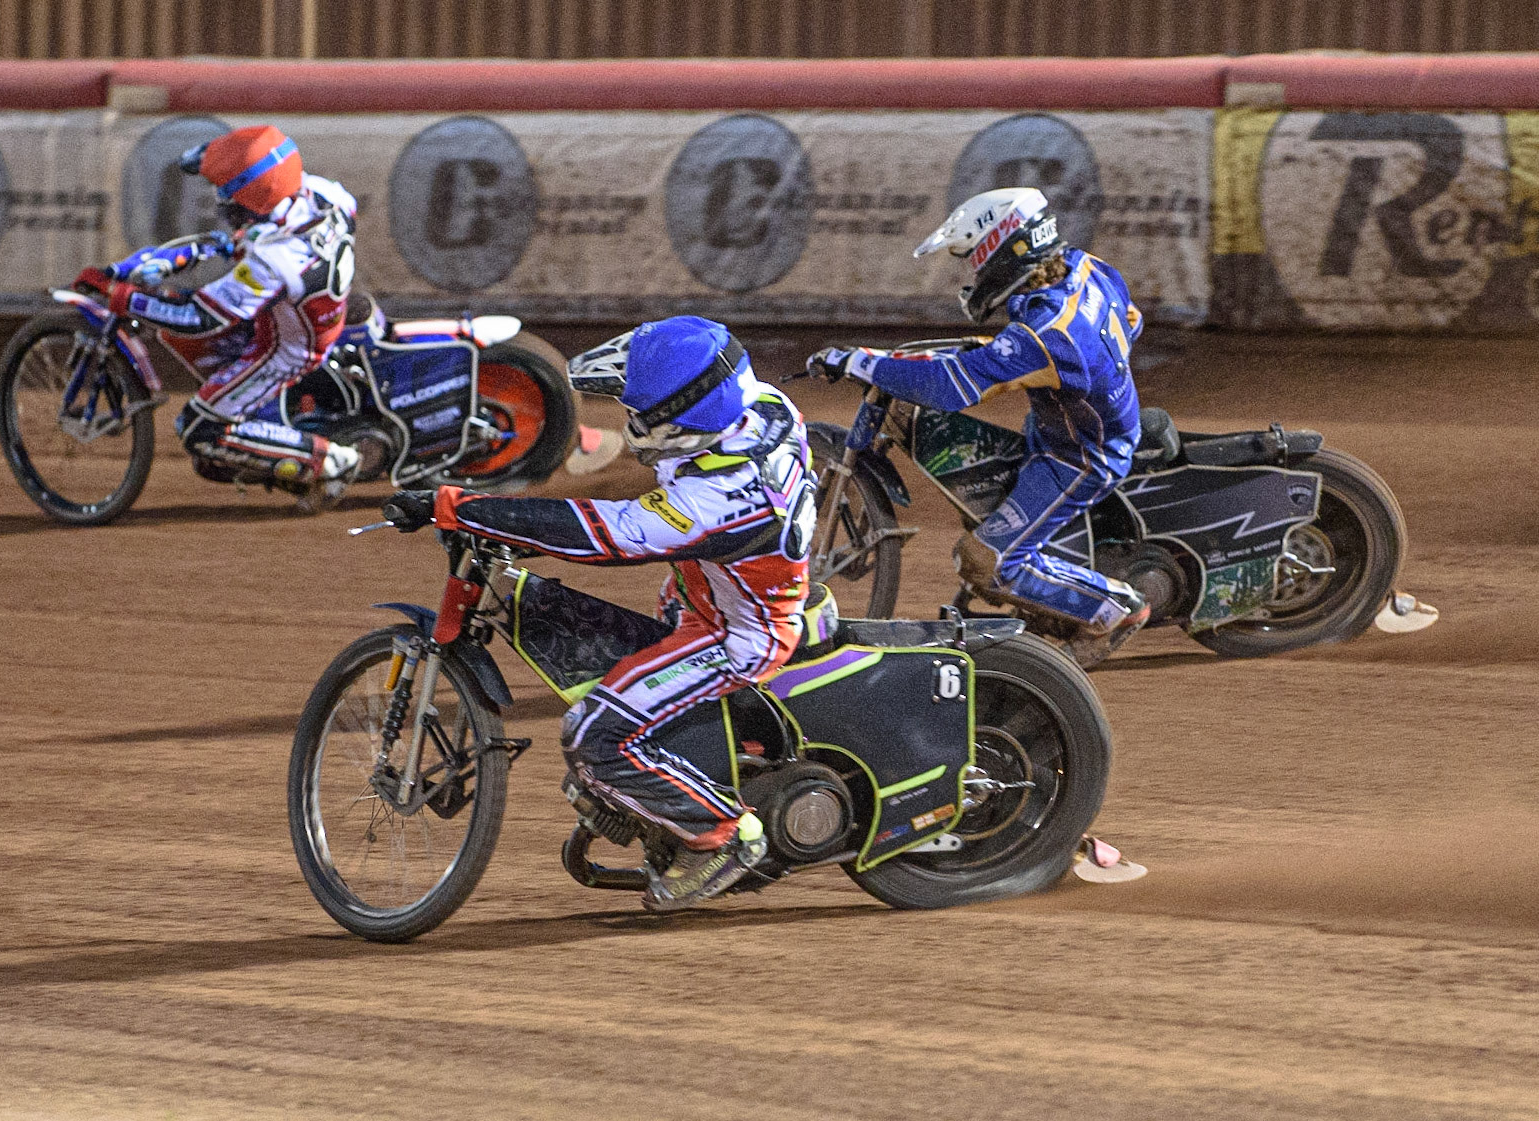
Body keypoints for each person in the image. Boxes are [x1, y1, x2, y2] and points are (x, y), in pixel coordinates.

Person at [382, 316, 817, 911]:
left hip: (736, 632)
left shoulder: (718, 500)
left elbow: (608, 535)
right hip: (708, 592)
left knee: (593, 732)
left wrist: (461, 508)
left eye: (649, 417)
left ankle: (723, 837)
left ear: (693, 420)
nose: (636, 426)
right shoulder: (760, 404)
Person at [805, 186, 1151, 664]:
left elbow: (951, 387)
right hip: (1068, 426)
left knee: (985, 562)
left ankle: (1112, 607)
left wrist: (859, 361)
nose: (974, 274)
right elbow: (1131, 320)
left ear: (1004, 253)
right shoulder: (1084, 267)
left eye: (975, 262)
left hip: (1079, 456)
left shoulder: (1047, 335)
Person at [74, 125, 361, 507]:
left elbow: (200, 317)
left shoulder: (273, 262)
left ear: (254, 194)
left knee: (198, 429)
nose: (220, 198)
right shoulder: (324, 193)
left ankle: (329, 460)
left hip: (286, 350)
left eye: (227, 191)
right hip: (310, 308)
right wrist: (244, 234)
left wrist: (124, 298)